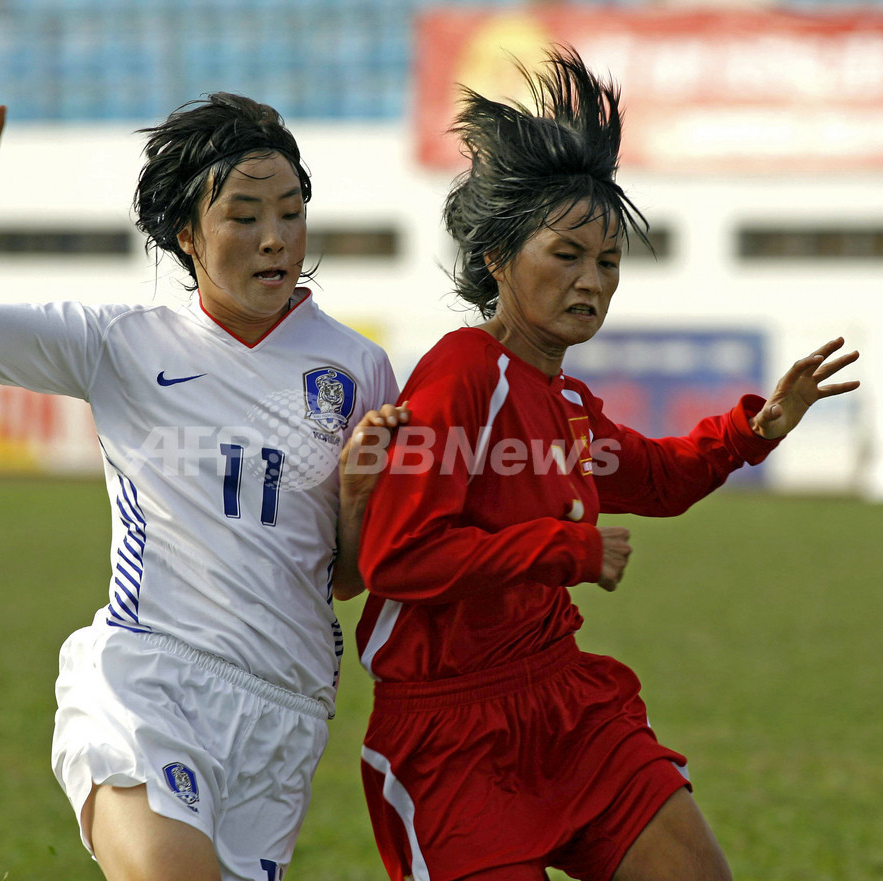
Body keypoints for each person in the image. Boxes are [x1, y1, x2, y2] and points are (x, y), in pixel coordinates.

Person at [352, 47, 859, 881]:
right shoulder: (463, 371)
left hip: (567, 707)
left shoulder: (566, 401)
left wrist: (756, 428)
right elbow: (398, 558)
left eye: (610, 262)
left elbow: (658, 478)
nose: (592, 282)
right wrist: (566, 548)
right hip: (453, 739)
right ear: (496, 259)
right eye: (567, 255)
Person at [0, 77, 406, 881]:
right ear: (187, 235)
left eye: (290, 211)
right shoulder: (121, 343)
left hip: (286, 708)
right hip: (150, 679)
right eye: (244, 217)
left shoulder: (357, 368)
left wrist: (357, 498)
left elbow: (347, 577)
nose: (275, 237)